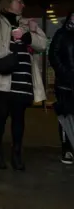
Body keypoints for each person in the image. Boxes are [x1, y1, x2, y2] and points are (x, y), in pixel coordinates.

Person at [0, 0, 47, 171]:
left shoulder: (28, 24)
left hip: (23, 79)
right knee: (1, 116)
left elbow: (43, 44)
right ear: (8, 4)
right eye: (19, 1)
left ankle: (17, 155)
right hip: (2, 78)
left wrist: (29, 36)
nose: (23, 5)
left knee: (19, 119)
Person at [48, 11, 74, 165]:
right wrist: (65, 74)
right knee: (66, 117)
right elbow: (53, 55)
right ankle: (67, 149)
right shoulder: (62, 34)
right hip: (66, 84)